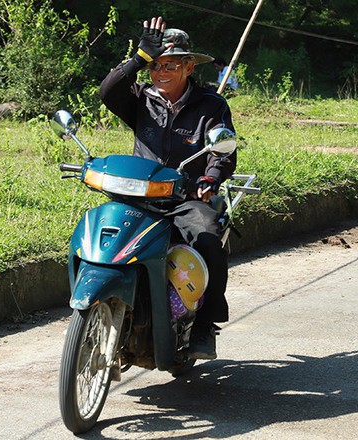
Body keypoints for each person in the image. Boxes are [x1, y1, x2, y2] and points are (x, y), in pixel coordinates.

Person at [99, 17, 236, 359]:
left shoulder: (211, 105)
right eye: (155, 66)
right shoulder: (141, 99)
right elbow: (107, 91)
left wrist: (209, 179)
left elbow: (225, 149)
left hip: (186, 198)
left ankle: (205, 324)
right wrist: (139, 57)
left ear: (189, 67)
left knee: (207, 237)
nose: (159, 73)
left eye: (170, 65)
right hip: (139, 196)